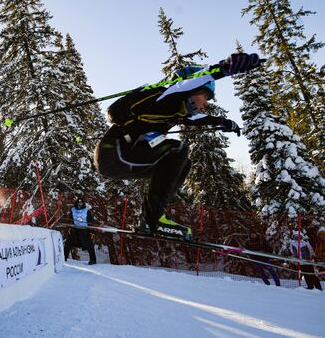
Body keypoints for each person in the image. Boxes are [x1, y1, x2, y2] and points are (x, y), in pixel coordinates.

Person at [94, 53, 263, 239]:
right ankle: (154, 219)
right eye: (205, 95)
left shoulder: (176, 111)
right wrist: (225, 68)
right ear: (192, 89)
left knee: (183, 162)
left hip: (121, 159)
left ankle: (149, 219)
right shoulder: (166, 97)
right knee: (177, 148)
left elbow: (199, 119)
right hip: (114, 152)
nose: (206, 103)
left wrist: (224, 122)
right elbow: (188, 83)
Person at [64, 197, 97, 265]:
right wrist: (69, 227)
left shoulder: (86, 210)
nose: (80, 204)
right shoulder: (73, 210)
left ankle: (93, 260)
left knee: (89, 245)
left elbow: (90, 221)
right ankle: (63, 258)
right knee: (68, 243)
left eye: (81, 202)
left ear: (83, 203)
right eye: (78, 203)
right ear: (76, 203)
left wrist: (91, 232)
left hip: (84, 230)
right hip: (75, 230)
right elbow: (70, 220)